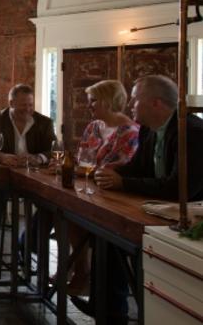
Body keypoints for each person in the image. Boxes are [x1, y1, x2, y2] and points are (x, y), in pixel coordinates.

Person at [81, 75, 203, 325]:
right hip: (156, 208)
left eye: (136, 100)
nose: (131, 105)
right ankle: (108, 311)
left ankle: (138, 309)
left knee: (128, 243)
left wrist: (122, 182)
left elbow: (180, 188)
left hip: (189, 221)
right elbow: (137, 167)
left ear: (156, 103)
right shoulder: (150, 127)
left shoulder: (191, 131)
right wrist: (110, 174)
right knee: (107, 232)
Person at [59, 80, 140, 296]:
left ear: (108, 101)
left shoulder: (130, 132)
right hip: (89, 190)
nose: (89, 106)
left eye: (93, 101)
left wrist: (84, 170)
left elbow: (113, 170)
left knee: (74, 217)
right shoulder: (93, 127)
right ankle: (75, 269)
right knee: (60, 212)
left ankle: (83, 273)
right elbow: (82, 160)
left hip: (116, 197)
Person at [0, 84, 56, 274]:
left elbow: (53, 151)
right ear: (11, 103)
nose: (27, 110)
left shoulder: (44, 123)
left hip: (34, 179)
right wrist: (0, 156)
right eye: (22, 106)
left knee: (50, 206)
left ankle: (26, 245)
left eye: (30, 105)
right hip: (4, 178)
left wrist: (39, 158)